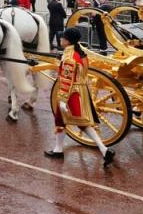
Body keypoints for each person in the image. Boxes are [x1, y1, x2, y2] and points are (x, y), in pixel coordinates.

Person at [44, 28, 116, 167]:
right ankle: (103, 150)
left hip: (71, 93)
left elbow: (67, 79)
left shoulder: (69, 57)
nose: (60, 39)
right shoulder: (79, 53)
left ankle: (102, 149)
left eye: (62, 37)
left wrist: (63, 99)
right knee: (79, 123)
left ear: (67, 40)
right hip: (81, 90)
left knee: (64, 121)